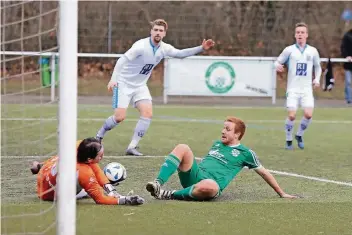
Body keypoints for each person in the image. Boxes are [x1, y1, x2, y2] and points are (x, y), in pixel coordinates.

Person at [95, 19, 215, 156]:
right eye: (156, 30)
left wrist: (201, 48)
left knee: (147, 113)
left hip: (140, 85)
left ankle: (132, 147)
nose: (158, 33)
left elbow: (180, 54)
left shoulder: (164, 48)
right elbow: (122, 60)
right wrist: (114, 79)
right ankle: (99, 136)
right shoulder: (140, 46)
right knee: (119, 117)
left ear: (164, 34)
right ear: (151, 31)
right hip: (123, 83)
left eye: (161, 31)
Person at [145, 116, 299, 201]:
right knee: (183, 147)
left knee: (210, 187)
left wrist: (282, 193)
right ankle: (158, 184)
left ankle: (169, 194)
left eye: (227, 129)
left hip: (210, 185)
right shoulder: (217, 144)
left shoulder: (246, 153)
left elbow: (264, 173)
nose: (223, 131)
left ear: (237, 134)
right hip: (195, 175)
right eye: (223, 128)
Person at [30, 137, 144, 205]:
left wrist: (110, 190)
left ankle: (40, 166)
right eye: (100, 156)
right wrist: (125, 200)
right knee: (92, 189)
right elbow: (100, 199)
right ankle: (41, 166)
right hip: (47, 194)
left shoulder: (78, 145)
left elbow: (95, 167)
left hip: (45, 172)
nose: (102, 157)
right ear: (89, 159)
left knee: (63, 156)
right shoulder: (84, 172)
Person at [274, 22, 322, 150]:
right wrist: (277, 66)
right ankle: (289, 139)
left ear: (307, 35)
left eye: (302, 32)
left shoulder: (313, 51)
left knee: (308, 114)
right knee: (292, 115)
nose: (300, 34)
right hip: (293, 89)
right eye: (298, 32)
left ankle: (299, 135)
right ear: (295, 35)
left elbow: (318, 67)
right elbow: (278, 61)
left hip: (306, 89)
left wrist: (316, 79)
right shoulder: (289, 50)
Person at [341, 28, 352, 104]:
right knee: (348, 82)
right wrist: (347, 56)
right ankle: (349, 99)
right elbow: (343, 48)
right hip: (348, 64)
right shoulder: (347, 36)